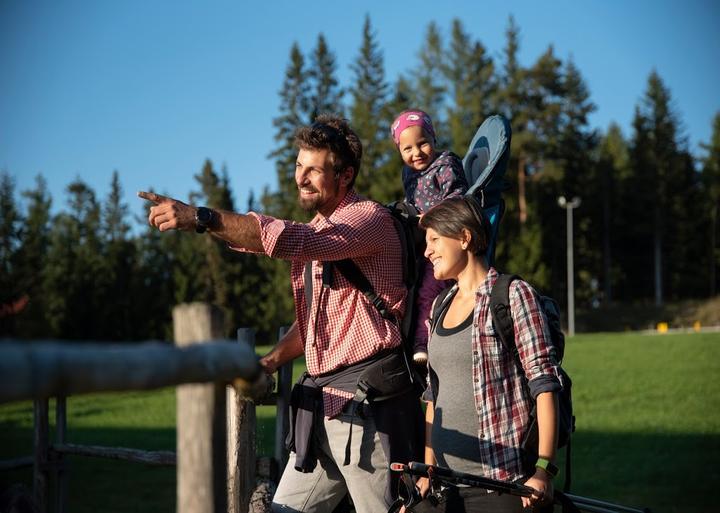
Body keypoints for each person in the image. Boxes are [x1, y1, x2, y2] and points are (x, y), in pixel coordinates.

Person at [139, 114, 423, 513]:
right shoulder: (324, 231)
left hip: (366, 408)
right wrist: (270, 361)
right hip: (323, 408)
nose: (301, 178)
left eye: (313, 169)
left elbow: (290, 238)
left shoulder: (367, 220)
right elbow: (314, 323)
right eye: (297, 166)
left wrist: (202, 217)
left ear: (345, 176)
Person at [412, 196, 562, 513]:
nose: (427, 252)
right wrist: (428, 469)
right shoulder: (440, 306)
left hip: (503, 486)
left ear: (465, 237)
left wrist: (543, 470)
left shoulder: (512, 295)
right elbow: (432, 395)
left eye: (435, 240)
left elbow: (545, 384)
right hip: (446, 486)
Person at [390, 109, 468, 365]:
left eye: (422, 143)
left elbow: (457, 197)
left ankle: (423, 342)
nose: (416, 153)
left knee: (428, 291)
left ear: (433, 138)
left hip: (446, 239)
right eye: (407, 149)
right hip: (421, 245)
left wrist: (431, 216)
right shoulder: (408, 173)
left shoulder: (445, 164)